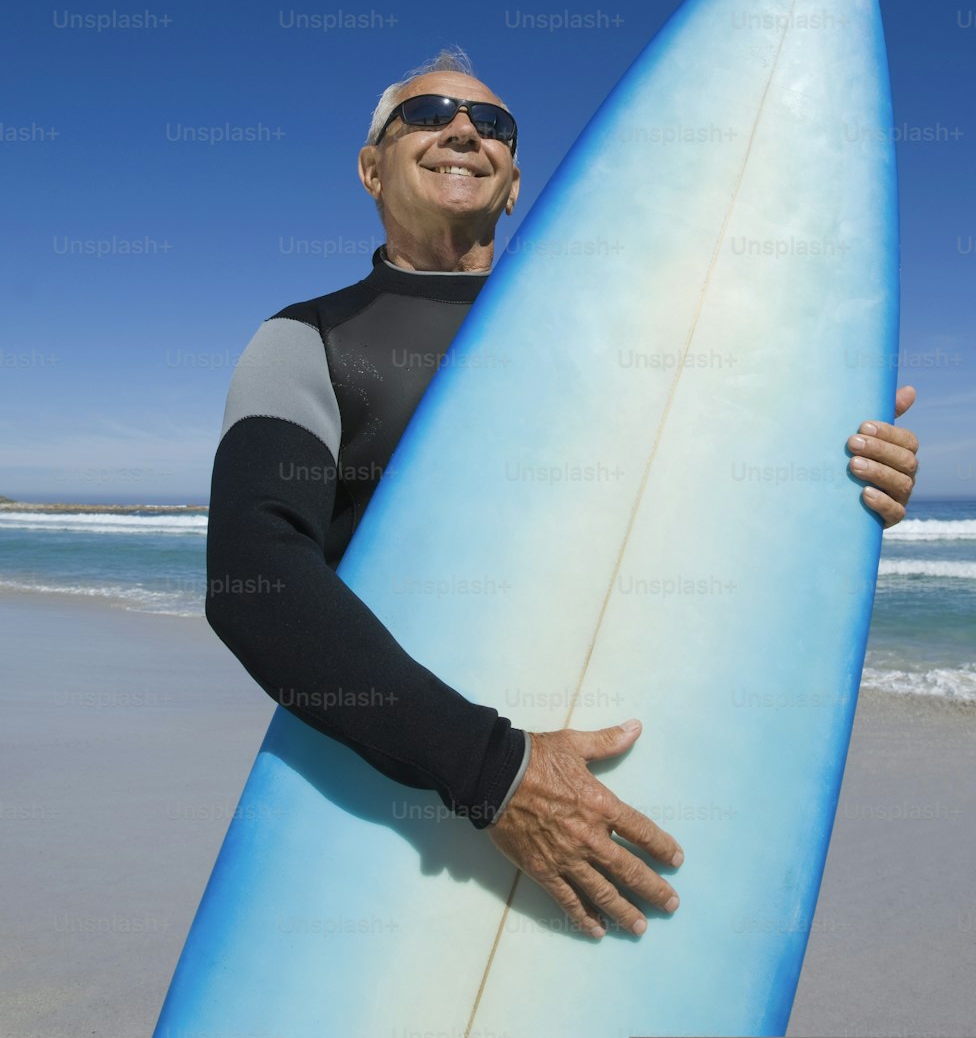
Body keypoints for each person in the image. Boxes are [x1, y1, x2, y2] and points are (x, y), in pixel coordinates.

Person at [206, 47, 920, 942]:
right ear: (369, 167)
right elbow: (256, 579)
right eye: (428, 113)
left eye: (495, 126)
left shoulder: (625, 350)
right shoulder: (305, 341)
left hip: (607, 795)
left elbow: (704, 523)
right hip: (396, 810)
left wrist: (849, 476)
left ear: (513, 188)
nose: (465, 129)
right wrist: (496, 773)